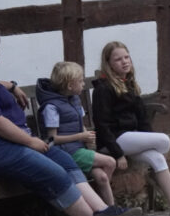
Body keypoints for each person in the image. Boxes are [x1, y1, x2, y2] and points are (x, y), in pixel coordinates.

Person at [0, 26, 141, 216]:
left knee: (63, 159)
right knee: (54, 172)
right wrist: (30, 141)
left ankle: (105, 211)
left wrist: (12, 86)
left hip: (15, 142)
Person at [92, 41, 170, 216]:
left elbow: (143, 120)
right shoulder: (103, 89)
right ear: (109, 63)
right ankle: (160, 181)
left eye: (126, 57)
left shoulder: (129, 84)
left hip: (131, 140)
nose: (124, 62)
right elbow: (102, 125)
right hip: (115, 141)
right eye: (118, 59)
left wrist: (147, 139)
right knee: (164, 141)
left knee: (158, 157)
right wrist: (118, 154)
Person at [36, 61, 118, 206]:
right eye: (80, 81)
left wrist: (87, 136)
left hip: (80, 148)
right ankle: (99, 205)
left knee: (102, 177)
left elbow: (80, 124)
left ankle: (110, 208)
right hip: (67, 152)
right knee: (110, 162)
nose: (83, 84)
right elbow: (52, 138)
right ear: (69, 86)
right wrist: (80, 137)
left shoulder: (74, 100)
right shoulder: (51, 107)